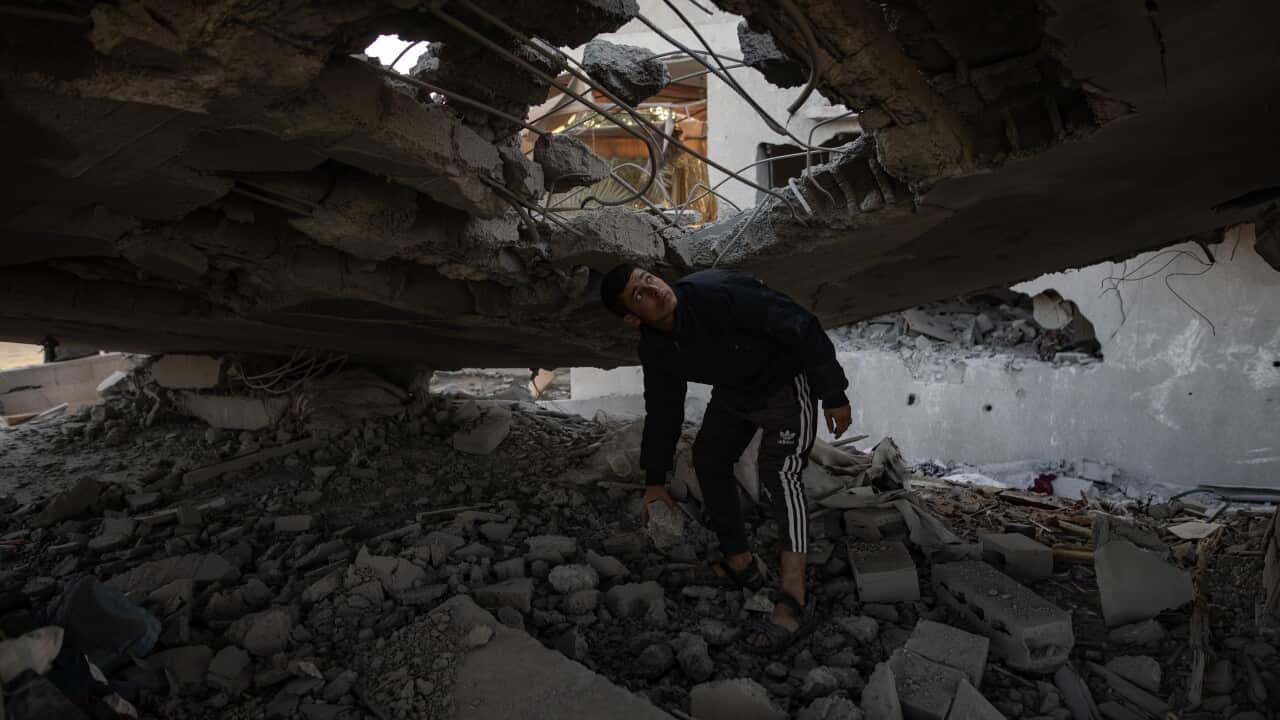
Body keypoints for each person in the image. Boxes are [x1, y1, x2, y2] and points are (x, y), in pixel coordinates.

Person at [600, 263, 852, 654]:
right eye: (639, 294)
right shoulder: (656, 346)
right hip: (735, 393)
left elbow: (801, 324)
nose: (654, 290)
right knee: (708, 458)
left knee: (779, 473)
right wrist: (654, 481)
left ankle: (793, 595)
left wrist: (833, 394)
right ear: (634, 319)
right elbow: (664, 410)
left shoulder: (716, 292)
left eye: (649, 279)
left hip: (784, 386)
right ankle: (740, 562)